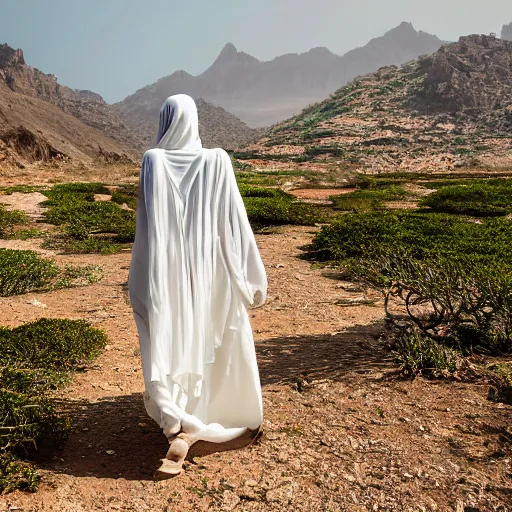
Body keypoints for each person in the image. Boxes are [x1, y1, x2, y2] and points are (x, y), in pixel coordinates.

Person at [128, 94, 267, 479]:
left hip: (166, 274)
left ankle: (177, 424)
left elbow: (146, 230)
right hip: (214, 273)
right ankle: (214, 416)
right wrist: (251, 279)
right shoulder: (218, 160)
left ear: (165, 121)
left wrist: (141, 281)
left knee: (168, 339)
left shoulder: (152, 161)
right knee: (217, 339)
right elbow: (236, 223)